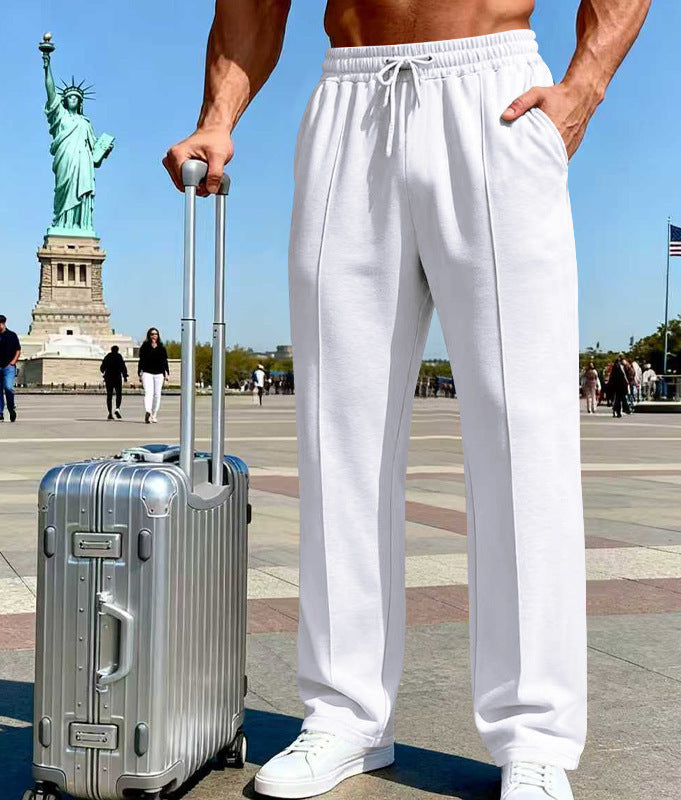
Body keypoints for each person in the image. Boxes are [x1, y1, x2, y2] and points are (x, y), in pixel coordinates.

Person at [163, 1, 651, 797]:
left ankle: (534, 735)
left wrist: (584, 85)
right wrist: (218, 117)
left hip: (493, 92)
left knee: (522, 432)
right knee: (338, 431)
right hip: (350, 98)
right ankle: (346, 714)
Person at [137, 327, 169, 424]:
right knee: (148, 392)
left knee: (157, 394)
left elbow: (165, 361)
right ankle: (148, 411)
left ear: (158, 336)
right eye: (152, 334)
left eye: (155, 334)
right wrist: (140, 372)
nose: (153, 336)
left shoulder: (162, 348)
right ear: (149, 335)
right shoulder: (145, 347)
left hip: (159, 373)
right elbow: (141, 360)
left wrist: (167, 373)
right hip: (147, 372)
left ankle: (154, 414)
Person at [0, 315, 21, 423]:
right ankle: (0, 413)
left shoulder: (12, 335)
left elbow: (18, 350)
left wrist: (13, 362)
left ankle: (11, 408)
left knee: (8, 388)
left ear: (3, 324)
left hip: (8, 367)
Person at [100, 345, 129, 420]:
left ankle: (110, 413)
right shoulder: (119, 356)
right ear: (117, 350)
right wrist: (125, 376)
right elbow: (123, 367)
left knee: (109, 395)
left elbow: (102, 367)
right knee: (118, 394)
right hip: (117, 377)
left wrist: (104, 371)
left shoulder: (108, 356)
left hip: (108, 378)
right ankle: (117, 408)